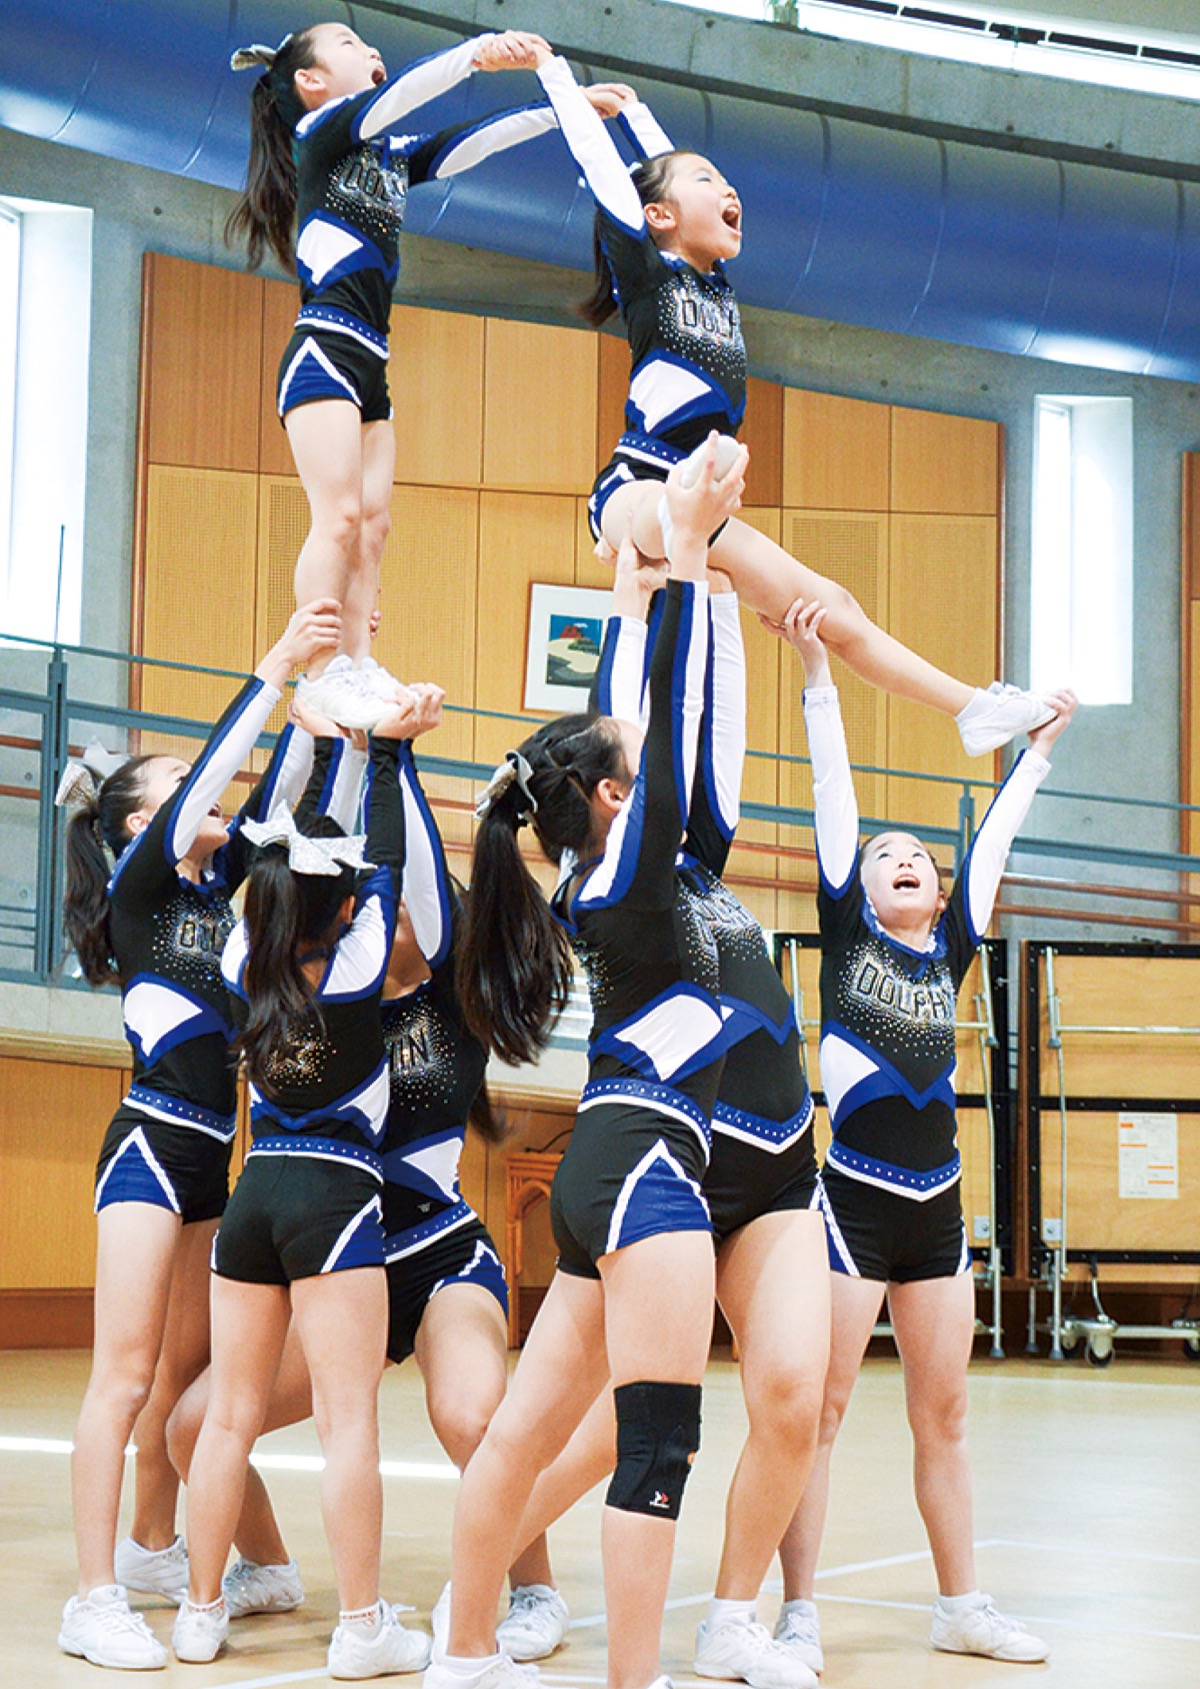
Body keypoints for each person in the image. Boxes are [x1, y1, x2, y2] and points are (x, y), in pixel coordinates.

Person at [420, 443, 742, 1689]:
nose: (644, 769)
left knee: (523, 1434)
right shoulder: (633, 864)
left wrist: (628, 593)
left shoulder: (590, 870)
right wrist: (691, 562)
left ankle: (464, 1654)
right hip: (649, 1165)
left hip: (606, 1166)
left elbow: (626, 728)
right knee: (655, 1445)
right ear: (612, 795)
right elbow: (662, 721)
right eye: (628, 771)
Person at [528, 46, 1054, 760]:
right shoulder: (648, 273)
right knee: (686, 508)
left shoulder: (714, 282)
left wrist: (640, 116)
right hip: (636, 487)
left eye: (727, 183)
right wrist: (558, 78)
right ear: (657, 214)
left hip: (700, 502)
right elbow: (604, 167)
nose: (729, 191)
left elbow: (667, 176)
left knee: (834, 607)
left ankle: (972, 710)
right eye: (709, 181)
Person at [164, 706, 559, 1652]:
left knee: (470, 1414)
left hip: (434, 1254)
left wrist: (389, 757)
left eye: (414, 907)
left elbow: (397, 868)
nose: (397, 913)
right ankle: (269, 1566)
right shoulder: (317, 982)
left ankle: (532, 1584)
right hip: (336, 1252)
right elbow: (311, 869)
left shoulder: (455, 993)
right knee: (190, 1426)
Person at [773, 597, 1075, 1670]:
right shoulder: (848, 934)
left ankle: (962, 1605)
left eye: (918, 857)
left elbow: (994, 840)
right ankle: (797, 1610)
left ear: (940, 896)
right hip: (849, 1204)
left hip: (937, 1211)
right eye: (885, 854)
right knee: (818, 1411)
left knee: (943, 1416)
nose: (903, 857)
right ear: (859, 888)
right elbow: (836, 799)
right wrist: (819, 678)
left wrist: (1037, 751)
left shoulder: (951, 949)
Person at [55, 599, 342, 1671]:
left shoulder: (223, 896)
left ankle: (154, 1550)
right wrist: (272, 667)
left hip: (212, 1160)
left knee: (186, 1377)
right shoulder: (141, 889)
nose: (204, 793)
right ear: (142, 823)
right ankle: (93, 1598)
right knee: (124, 1377)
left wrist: (313, 715)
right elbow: (221, 777)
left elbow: (270, 801)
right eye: (180, 785)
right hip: (148, 1145)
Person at [227, 22, 622, 729]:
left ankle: (356, 660)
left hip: (371, 358)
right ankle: (319, 672)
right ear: (310, 81)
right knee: (339, 518)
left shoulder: (383, 156)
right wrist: (475, 55)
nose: (370, 50)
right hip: (324, 348)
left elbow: (468, 143)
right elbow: (404, 96)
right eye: (349, 44)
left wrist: (563, 110)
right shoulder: (322, 133)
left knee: (373, 527)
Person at [173, 685, 447, 1676]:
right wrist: (381, 750)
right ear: (346, 903)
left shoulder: (243, 956)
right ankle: (363, 1624)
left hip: (254, 1195)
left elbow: (285, 858)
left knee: (229, 1416)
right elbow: (388, 855)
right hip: (334, 1196)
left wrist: (329, 745)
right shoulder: (360, 957)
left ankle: (199, 1611)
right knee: (347, 1423)